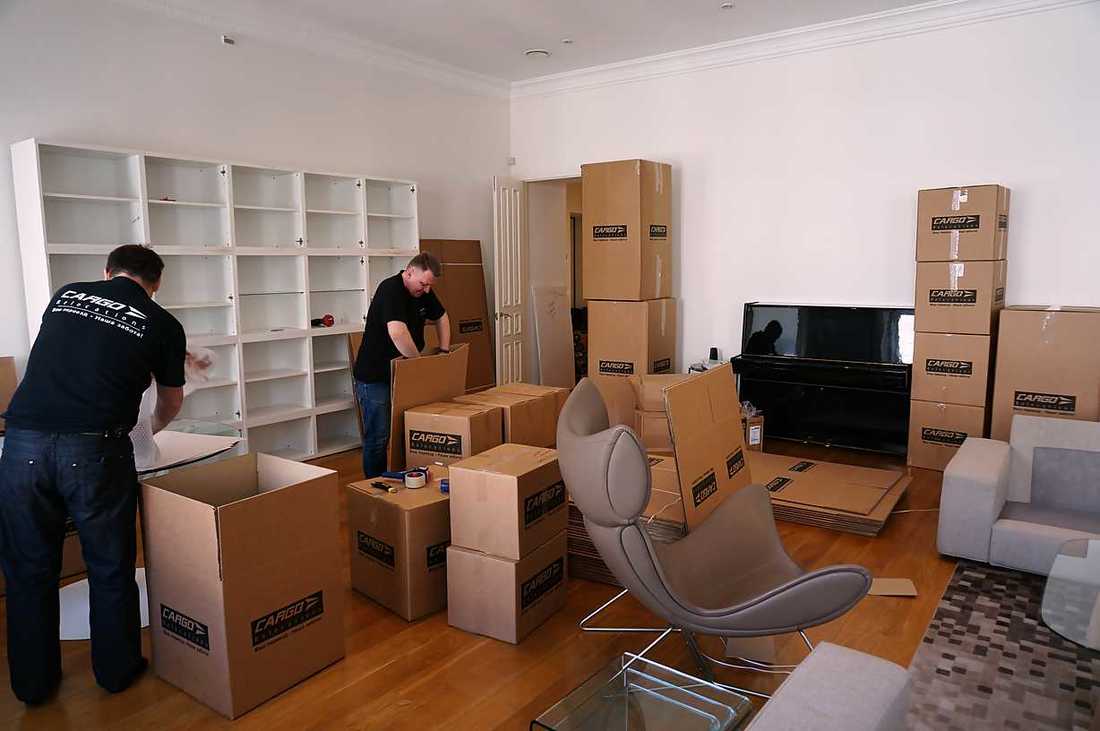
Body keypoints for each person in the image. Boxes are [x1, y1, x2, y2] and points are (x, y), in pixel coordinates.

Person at [0, 245, 186, 704]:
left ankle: (32, 685)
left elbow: (79, 354)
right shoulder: (163, 323)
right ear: (156, 284)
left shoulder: (66, 294)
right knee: (108, 564)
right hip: (94, 449)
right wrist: (149, 427)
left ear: (107, 272)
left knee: (27, 568)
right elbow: (171, 400)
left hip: (22, 442)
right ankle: (116, 671)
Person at [353, 253, 450, 478]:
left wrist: (444, 351)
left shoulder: (423, 291)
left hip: (402, 370)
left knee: (405, 430)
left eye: (430, 285)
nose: (426, 289)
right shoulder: (390, 289)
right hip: (375, 375)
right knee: (379, 436)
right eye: (423, 284)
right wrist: (417, 364)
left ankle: (402, 478)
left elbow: (442, 317)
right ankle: (373, 486)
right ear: (409, 272)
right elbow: (397, 332)